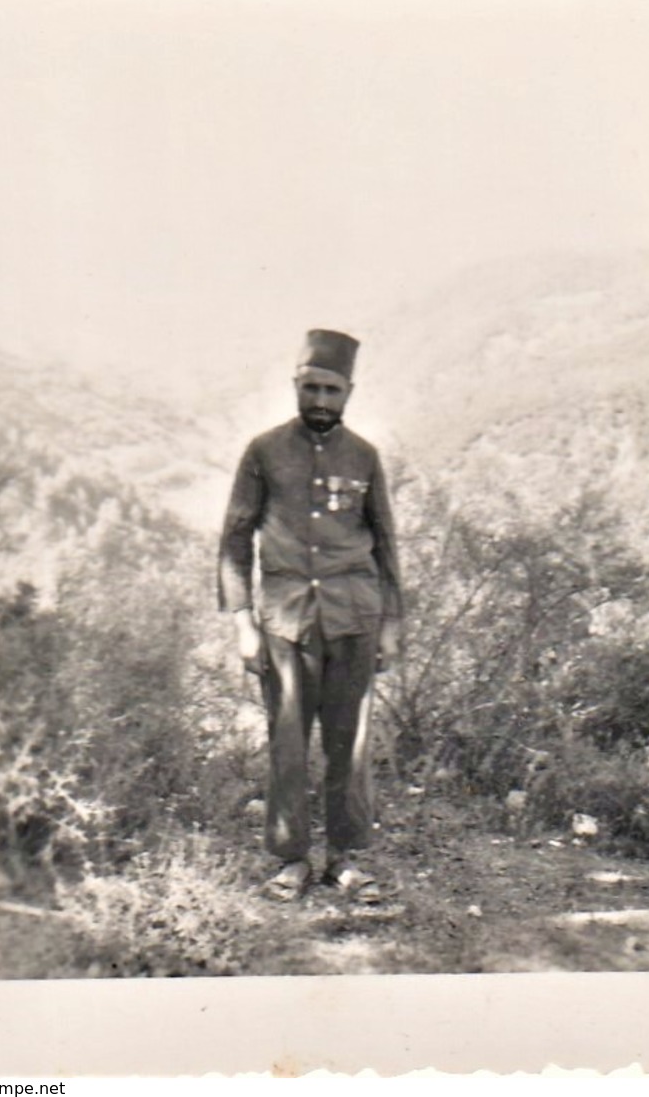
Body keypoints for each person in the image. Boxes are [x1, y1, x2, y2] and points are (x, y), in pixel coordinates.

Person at [218, 328, 403, 903]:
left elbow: (385, 542)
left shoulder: (364, 457)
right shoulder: (264, 451)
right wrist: (244, 624)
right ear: (296, 385)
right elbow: (234, 539)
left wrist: (393, 625)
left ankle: (345, 860)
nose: (320, 400)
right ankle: (292, 860)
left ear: (349, 391)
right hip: (284, 622)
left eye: (331, 389)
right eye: (311, 387)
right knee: (288, 745)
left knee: (350, 745)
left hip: (354, 618)